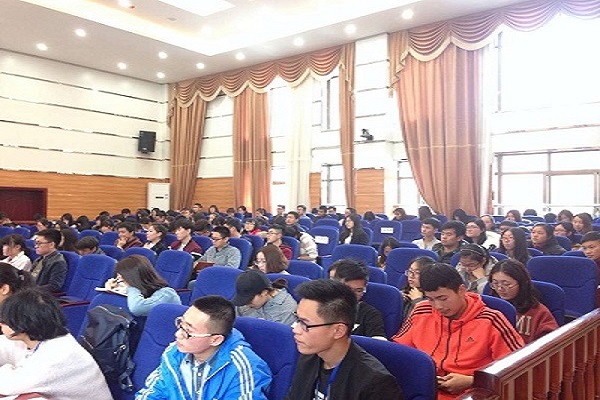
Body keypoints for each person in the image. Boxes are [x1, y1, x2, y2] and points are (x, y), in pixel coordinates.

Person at [392, 263, 523, 399]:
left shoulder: (492, 320)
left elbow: (517, 370)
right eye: (431, 299)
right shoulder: (421, 311)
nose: (438, 306)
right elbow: (399, 352)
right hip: (424, 388)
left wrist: (473, 381)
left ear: (461, 290)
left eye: (443, 298)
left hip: (472, 392)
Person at [285, 279, 402, 400]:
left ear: (338, 331)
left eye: (304, 324)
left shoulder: (375, 383)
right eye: (297, 320)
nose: (295, 329)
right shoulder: (308, 357)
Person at [136, 295, 272, 399]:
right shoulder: (174, 352)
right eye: (181, 324)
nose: (178, 334)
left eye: (188, 331)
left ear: (215, 340)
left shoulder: (243, 368)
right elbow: (153, 392)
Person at [0, 289, 112, 399]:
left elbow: (7, 386)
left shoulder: (57, 356)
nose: (0, 324)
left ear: (23, 323)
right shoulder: (41, 337)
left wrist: (7, 368)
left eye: (5, 320)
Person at [489, 259, 558, 344]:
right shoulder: (489, 307)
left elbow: (551, 343)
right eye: (495, 284)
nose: (500, 288)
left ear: (522, 284)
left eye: (506, 284)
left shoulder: (539, 312)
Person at [104, 255, 181, 317]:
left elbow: (137, 309)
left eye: (122, 278)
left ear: (133, 277)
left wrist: (131, 287)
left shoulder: (167, 293)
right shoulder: (140, 291)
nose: (119, 281)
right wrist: (113, 289)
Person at [328, 259, 386, 339]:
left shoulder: (369, 314)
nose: (352, 295)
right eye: (347, 289)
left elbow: (379, 341)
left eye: (358, 291)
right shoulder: (319, 307)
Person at [232, 269, 297, 325]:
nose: (246, 304)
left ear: (264, 292)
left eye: (250, 300)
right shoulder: (245, 302)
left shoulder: (287, 309)